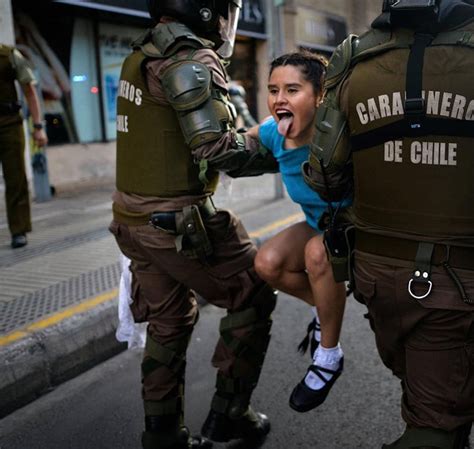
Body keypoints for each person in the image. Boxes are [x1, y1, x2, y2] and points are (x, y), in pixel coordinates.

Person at [303, 0, 474, 447]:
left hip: (379, 275)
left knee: (429, 389)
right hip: (458, 280)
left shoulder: (356, 55)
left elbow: (324, 174)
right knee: (436, 421)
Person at [109, 1, 279, 448]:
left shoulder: (141, 52)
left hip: (131, 220)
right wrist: (289, 155)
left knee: (169, 321)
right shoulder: (188, 57)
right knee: (253, 292)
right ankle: (230, 415)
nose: (227, 18)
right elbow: (219, 148)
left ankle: (163, 436)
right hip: (177, 222)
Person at [249, 51, 347, 413]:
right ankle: (327, 311)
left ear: (319, 95)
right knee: (267, 263)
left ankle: (328, 356)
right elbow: (239, 142)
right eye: (273, 90)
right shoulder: (275, 132)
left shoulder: (338, 130)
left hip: (355, 226)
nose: (279, 99)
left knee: (316, 254)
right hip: (317, 224)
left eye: (292, 89)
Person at [0, 43, 48, 249]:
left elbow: (29, 89)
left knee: (16, 178)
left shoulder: (9, 55)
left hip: (9, 124)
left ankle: (18, 230)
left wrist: (38, 126)